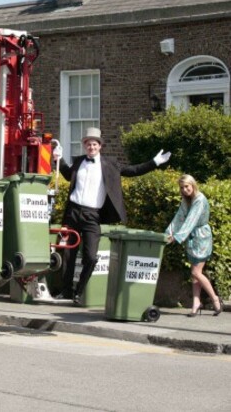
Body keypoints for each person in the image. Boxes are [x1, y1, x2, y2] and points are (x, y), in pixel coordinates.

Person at [52, 127, 170, 306]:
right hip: (73, 212)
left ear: (100, 146)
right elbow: (68, 176)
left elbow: (132, 171)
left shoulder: (109, 164)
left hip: (92, 215)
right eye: (88, 144)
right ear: (84, 146)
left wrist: (154, 162)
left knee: (91, 256)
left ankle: (79, 291)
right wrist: (59, 160)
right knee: (68, 253)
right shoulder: (78, 162)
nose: (91, 147)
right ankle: (66, 291)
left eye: (94, 144)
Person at [165, 174, 222, 317]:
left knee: (196, 272)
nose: (184, 190)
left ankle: (215, 299)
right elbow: (180, 216)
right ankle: (196, 303)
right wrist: (169, 233)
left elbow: (191, 220)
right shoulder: (186, 200)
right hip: (192, 238)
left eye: (187, 187)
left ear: (193, 185)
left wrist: (177, 237)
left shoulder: (199, 200)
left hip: (201, 237)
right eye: (182, 187)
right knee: (194, 274)